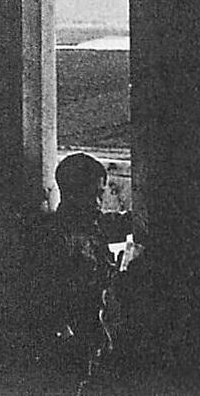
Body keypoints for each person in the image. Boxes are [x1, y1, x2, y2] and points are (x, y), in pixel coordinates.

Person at [33, 153, 134, 376]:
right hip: (73, 338)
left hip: (96, 327)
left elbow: (122, 222)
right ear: (71, 194)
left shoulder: (93, 224)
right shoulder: (56, 237)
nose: (98, 203)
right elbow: (48, 299)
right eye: (93, 195)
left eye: (100, 195)